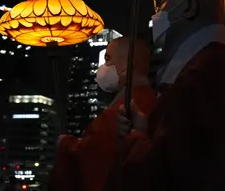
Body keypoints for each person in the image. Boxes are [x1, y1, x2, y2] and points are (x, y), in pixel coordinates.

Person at [116, 0, 225, 190]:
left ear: (188, 6)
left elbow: (167, 170)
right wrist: (146, 125)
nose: (155, 16)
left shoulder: (200, 75)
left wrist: (132, 139)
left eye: (160, 5)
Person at [49, 37, 157, 191]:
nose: (103, 67)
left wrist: (65, 144)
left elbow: (91, 157)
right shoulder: (152, 100)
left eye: (108, 58)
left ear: (129, 62)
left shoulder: (123, 110)